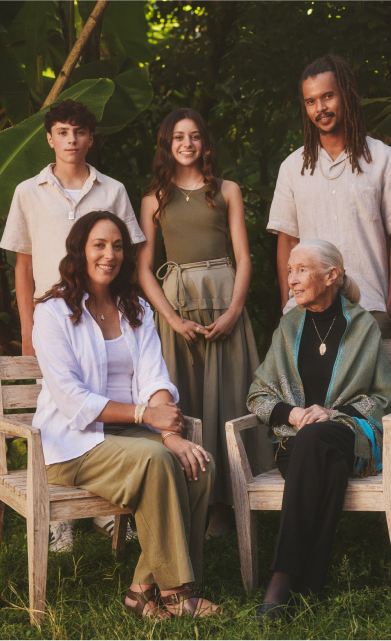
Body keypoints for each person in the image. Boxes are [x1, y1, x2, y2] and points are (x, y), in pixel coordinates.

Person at [32, 211, 223, 619]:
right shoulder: (52, 312)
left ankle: (139, 591)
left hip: (132, 433)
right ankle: (175, 591)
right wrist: (146, 416)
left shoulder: (134, 307)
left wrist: (170, 433)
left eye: (118, 246)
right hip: (74, 443)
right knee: (155, 461)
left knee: (197, 464)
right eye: (99, 245)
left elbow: (155, 376)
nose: (110, 254)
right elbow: (72, 400)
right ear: (80, 251)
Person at [0, 99, 145, 550]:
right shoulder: (28, 190)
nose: (71, 140)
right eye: (62, 131)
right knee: (55, 406)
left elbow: (129, 255)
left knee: (106, 396)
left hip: (103, 312)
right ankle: (57, 513)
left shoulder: (113, 190)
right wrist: (26, 329)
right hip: (53, 317)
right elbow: (23, 266)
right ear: (49, 137)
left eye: (79, 132)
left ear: (90, 139)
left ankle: (106, 507)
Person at [137, 108, 275, 538]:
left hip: (223, 300)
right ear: (167, 144)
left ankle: (232, 502)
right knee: (187, 400)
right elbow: (144, 269)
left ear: (205, 143)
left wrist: (234, 312)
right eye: (178, 137)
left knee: (230, 397)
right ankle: (185, 501)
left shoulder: (227, 190)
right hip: (179, 308)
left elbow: (244, 256)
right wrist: (173, 320)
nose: (187, 144)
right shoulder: (153, 199)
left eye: (194, 136)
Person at [247, 239, 391, 620]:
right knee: (322, 459)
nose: (292, 281)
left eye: (300, 271)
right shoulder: (288, 327)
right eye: (289, 273)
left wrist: (332, 412)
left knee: (319, 437)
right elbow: (258, 394)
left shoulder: (363, 326)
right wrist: (295, 415)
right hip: (299, 444)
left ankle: (281, 581)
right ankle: (311, 582)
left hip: (346, 434)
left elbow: (383, 396)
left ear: (331, 275)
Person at [267, 54, 391, 336]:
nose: (320, 108)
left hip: (370, 310)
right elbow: (288, 239)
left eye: (327, 97)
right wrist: (290, 302)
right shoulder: (292, 168)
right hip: (306, 313)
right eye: (311, 101)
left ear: (346, 95)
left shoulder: (386, 160)